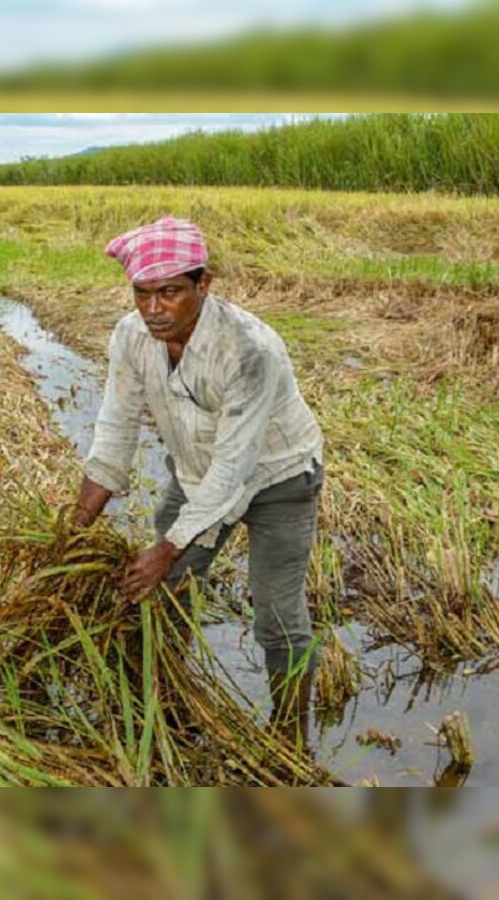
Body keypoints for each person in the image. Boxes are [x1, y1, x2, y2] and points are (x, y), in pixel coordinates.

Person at [73, 216, 324, 748]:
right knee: (160, 596)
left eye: (170, 293)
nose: (154, 309)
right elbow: (117, 425)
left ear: (203, 284)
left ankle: (289, 735)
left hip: (279, 478)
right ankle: (167, 702)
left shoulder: (250, 350)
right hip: (195, 473)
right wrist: (75, 525)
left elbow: (235, 468)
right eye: (142, 294)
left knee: (278, 615)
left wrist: (168, 546)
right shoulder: (130, 337)